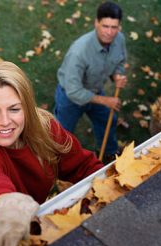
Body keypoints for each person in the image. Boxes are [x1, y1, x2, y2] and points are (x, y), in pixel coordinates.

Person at [0, 61, 103, 246]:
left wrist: (109, 187)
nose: (5, 121)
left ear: (27, 108)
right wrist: (9, 203)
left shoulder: (46, 130)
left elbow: (83, 166)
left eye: (14, 109)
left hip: (21, 229)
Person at [54, 1, 128, 164]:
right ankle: (58, 164)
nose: (109, 32)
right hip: (69, 98)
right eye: (105, 26)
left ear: (119, 26)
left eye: (114, 27)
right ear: (96, 23)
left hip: (94, 90)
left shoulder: (119, 40)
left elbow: (120, 62)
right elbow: (74, 91)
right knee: (62, 136)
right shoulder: (79, 52)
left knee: (108, 119)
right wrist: (105, 100)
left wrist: (117, 75)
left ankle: (108, 153)